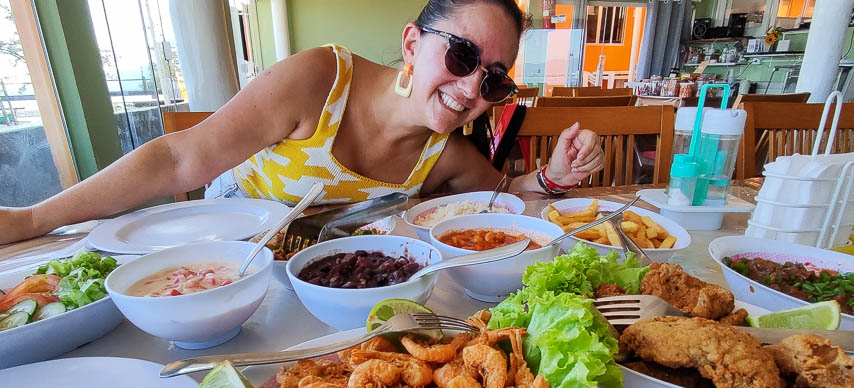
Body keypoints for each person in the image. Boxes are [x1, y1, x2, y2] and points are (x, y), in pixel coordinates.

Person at [0, 0, 603, 245]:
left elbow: (504, 199)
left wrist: (552, 176)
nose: (473, 88)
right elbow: (180, 159)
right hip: (225, 256)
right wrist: (31, 219)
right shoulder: (320, 80)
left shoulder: (440, 154)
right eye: (462, 56)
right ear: (413, 43)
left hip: (319, 292)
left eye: (494, 78)